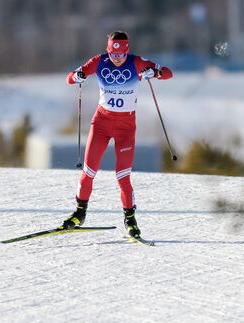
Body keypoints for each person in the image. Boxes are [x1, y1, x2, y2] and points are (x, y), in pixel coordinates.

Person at [61, 31, 173, 239]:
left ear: (127, 51)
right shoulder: (98, 62)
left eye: (121, 55)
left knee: (123, 176)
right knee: (88, 171)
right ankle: (79, 213)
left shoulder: (138, 63)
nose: (117, 59)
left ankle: (130, 220)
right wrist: (77, 76)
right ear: (108, 50)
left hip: (125, 128)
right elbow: (70, 78)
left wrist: (155, 73)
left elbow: (168, 73)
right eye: (113, 54)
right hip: (101, 123)